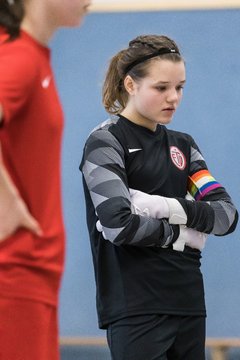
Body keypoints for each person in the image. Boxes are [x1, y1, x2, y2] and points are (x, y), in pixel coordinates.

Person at [80, 34, 238, 360]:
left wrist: (165, 207)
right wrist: (184, 232)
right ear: (130, 84)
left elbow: (226, 216)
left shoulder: (183, 145)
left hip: (188, 301)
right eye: (161, 87)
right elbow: (118, 225)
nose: (174, 97)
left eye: (180, 87)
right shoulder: (105, 143)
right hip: (134, 305)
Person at [0, 0, 91, 359]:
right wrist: (7, 199)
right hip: (14, 276)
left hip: (30, 280)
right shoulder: (18, 58)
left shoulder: (30, 56)